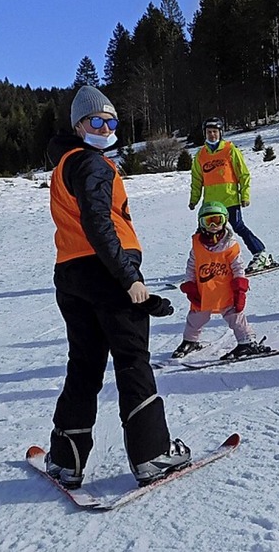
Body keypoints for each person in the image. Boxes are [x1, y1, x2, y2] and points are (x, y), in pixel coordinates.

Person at [46, 85, 190, 489]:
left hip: (71, 273)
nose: (105, 127)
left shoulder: (64, 165)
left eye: (111, 122)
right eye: (97, 120)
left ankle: (66, 459)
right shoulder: (91, 164)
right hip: (106, 272)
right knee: (132, 359)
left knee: (85, 364)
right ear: (79, 124)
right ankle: (152, 454)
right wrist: (129, 277)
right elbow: (98, 222)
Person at [174, 201, 271, 360]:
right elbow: (191, 266)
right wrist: (190, 285)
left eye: (217, 220)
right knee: (196, 317)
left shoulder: (230, 246)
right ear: (201, 223)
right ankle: (190, 340)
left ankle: (246, 342)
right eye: (208, 221)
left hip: (225, 291)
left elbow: (238, 268)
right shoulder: (197, 245)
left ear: (225, 221)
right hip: (204, 291)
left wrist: (240, 289)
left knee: (235, 316)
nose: (213, 225)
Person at [189, 118, 276, 273]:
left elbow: (243, 174)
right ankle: (204, 261)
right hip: (211, 203)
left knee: (238, 227)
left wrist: (245, 195)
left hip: (230, 199)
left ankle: (261, 254)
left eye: (215, 132)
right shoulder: (200, 155)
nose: (212, 135)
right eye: (209, 132)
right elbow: (196, 179)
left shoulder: (230, 150)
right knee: (203, 231)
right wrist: (194, 199)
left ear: (220, 133)